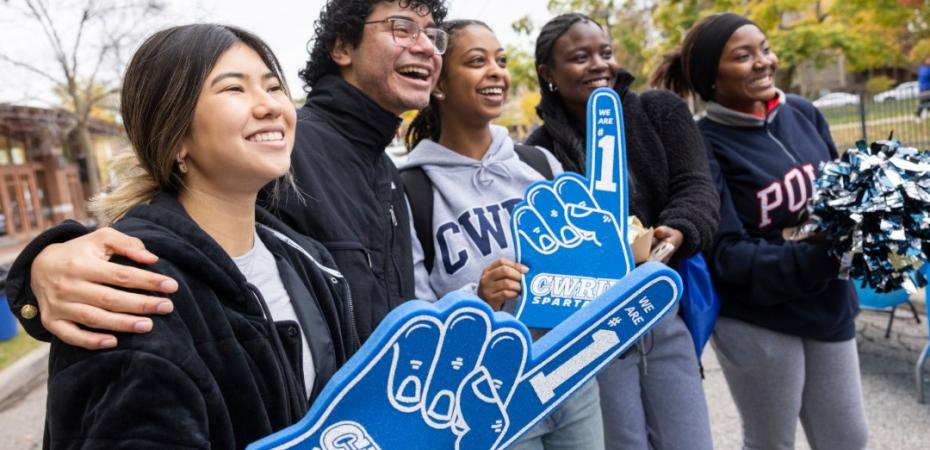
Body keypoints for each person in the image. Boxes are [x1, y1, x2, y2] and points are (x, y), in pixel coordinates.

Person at [6, 0, 448, 349]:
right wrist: (44, 265)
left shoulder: (384, 168)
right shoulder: (282, 151)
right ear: (343, 48)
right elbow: (163, 230)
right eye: (402, 28)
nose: (426, 46)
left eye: (274, 87)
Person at [41, 23, 355, 447]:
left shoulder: (309, 261)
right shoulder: (129, 288)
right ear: (176, 137)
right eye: (234, 89)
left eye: (274, 86)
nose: (269, 106)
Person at [651, 12, 868, 450]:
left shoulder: (804, 114)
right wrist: (819, 253)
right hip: (760, 318)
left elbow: (840, 204)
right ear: (712, 78)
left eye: (765, 49)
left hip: (826, 301)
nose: (763, 62)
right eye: (743, 56)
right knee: (771, 442)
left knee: (848, 439)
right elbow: (727, 254)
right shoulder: (703, 143)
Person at [401, 20, 603, 449]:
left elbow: (586, 266)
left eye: (501, 61)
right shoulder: (412, 188)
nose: (496, 72)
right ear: (438, 84)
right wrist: (479, 298)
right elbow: (413, 313)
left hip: (569, 373)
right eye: (477, 62)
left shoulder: (541, 165)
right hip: (487, 396)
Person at [524, 13, 719, 450]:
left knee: (689, 439)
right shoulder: (537, 152)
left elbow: (696, 186)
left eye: (605, 53)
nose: (599, 65)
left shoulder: (660, 111)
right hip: (593, 328)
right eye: (580, 57)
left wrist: (678, 232)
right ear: (547, 73)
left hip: (660, 308)